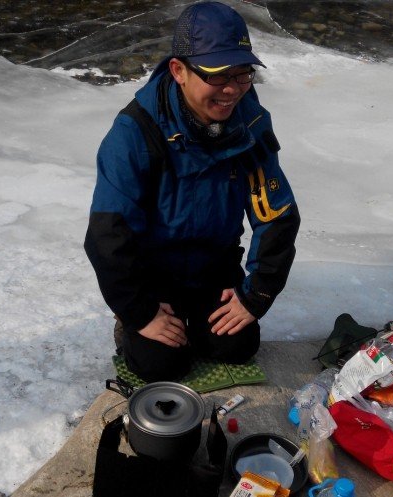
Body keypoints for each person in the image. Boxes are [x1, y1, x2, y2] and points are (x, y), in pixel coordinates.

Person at [84, 1, 300, 382]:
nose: (232, 89)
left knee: (236, 346)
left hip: (213, 269)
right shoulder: (135, 132)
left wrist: (255, 296)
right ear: (179, 71)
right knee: (159, 365)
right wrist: (140, 312)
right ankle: (131, 325)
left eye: (243, 73)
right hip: (152, 275)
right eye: (217, 75)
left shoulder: (249, 125)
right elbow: (107, 236)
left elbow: (277, 216)